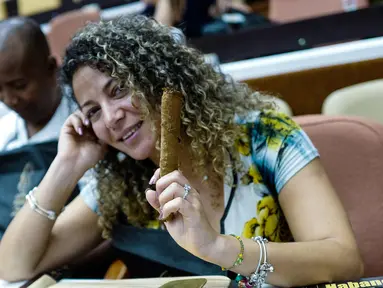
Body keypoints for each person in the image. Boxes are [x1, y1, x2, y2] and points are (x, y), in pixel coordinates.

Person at [0, 15, 363, 286]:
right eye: (92, 110)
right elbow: (13, 267)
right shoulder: (123, 181)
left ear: (162, 79)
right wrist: (67, 165)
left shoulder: (265, 137)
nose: (111, 118)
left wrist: (217, 247)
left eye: (118, 90)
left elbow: (345, 260)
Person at [0, 17, 71, 151]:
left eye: (19, 85)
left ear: (50, 69)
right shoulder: (4, 134)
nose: (9, 100)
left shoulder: (90, 124)